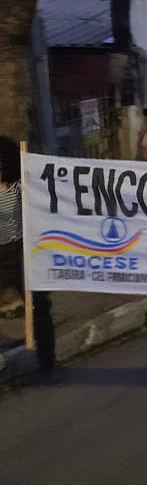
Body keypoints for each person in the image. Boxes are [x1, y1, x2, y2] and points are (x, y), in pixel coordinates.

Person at [0, 136, 54, 374]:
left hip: (24, 250)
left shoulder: (20, 185)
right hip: (1, 255)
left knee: (39, 306)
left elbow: (44, 206)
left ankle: (48, 361)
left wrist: (29, 193)